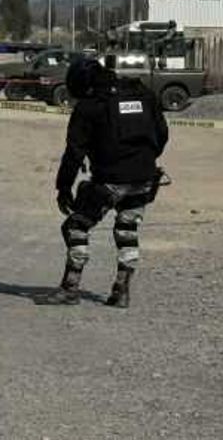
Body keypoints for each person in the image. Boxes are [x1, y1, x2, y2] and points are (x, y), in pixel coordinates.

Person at [37, 57, 169, 308]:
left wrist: (63, 187)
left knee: (76, 226)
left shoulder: (90, 106)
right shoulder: (143, 95)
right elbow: (162, 134)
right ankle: (122, 291)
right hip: (144, 179)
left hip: (111, 180)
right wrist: (142, 161)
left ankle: (70, 288)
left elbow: (74, 152)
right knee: (127, 229)